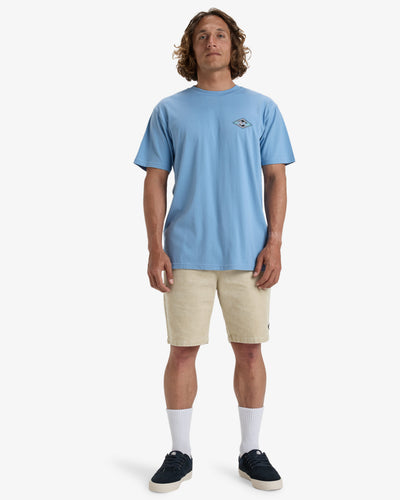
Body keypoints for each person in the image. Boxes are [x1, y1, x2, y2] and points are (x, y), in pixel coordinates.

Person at [133, 7, 295, 493]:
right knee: (182, 352)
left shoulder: (262, 107)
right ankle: (180, 452)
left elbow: (276, 178)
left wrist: (275, 243)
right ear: (191, 48)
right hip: (186, 254)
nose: (211, 42)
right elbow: (155, 181)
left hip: (249, 255)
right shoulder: (169, 110)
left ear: (233, 46)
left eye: (220, 34)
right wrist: (155, 248)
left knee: (250, 350)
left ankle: (251, 451)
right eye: (201, 35)